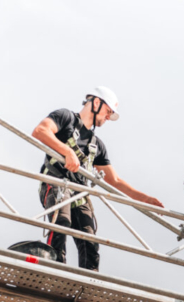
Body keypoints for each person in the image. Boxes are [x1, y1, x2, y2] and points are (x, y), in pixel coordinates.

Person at [32, 86, 163, 271]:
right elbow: (40, 131)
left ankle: (88, 284)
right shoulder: (65, 118)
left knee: (90, 239)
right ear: (95, 102)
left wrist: (144, 199)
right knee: (62, 222)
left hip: (79, 194)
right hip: (55, 184)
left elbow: (114, 181)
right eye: (108, 111)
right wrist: (67, 151)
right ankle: (54, 272)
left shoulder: (96, 145)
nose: (109, 116)